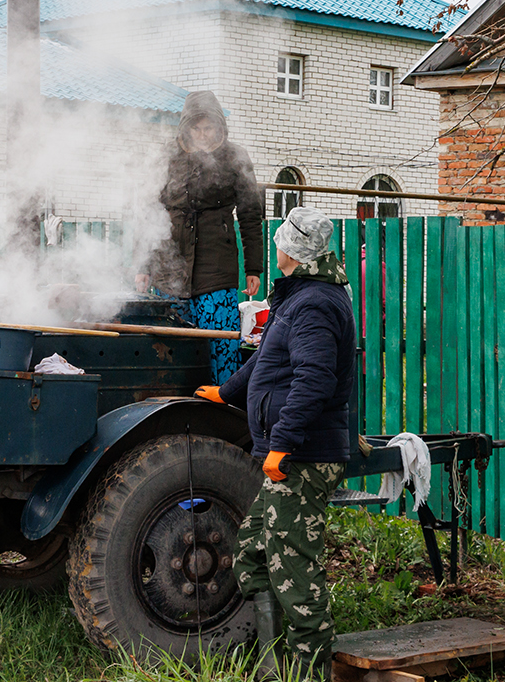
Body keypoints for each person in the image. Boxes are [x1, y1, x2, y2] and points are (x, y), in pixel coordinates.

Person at [195, 205, 354, 680]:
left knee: (294, 571)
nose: (276, 244)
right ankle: (272, 662)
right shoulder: (297, 297)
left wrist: (282, 444)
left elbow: (314, 379)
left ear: (291, 250)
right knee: (252, 553)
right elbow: (266, 359)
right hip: (291, 453)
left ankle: (309, 671)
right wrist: (227, 391)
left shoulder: (315, 304)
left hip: (303, 457)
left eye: (280, 238)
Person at [140, 91, 264, 383]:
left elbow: (249, 215)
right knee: (169, 348)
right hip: (168, 269)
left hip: (216, 270)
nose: (203, 134)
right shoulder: (167, 156)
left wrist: (254, 268)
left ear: (220, 127)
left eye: (209, 128)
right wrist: (143, 266)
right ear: (185, 128)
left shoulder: (235, 157)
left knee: (221, 345)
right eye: (196, 128)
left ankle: (222, 408)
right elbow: (148, 213)